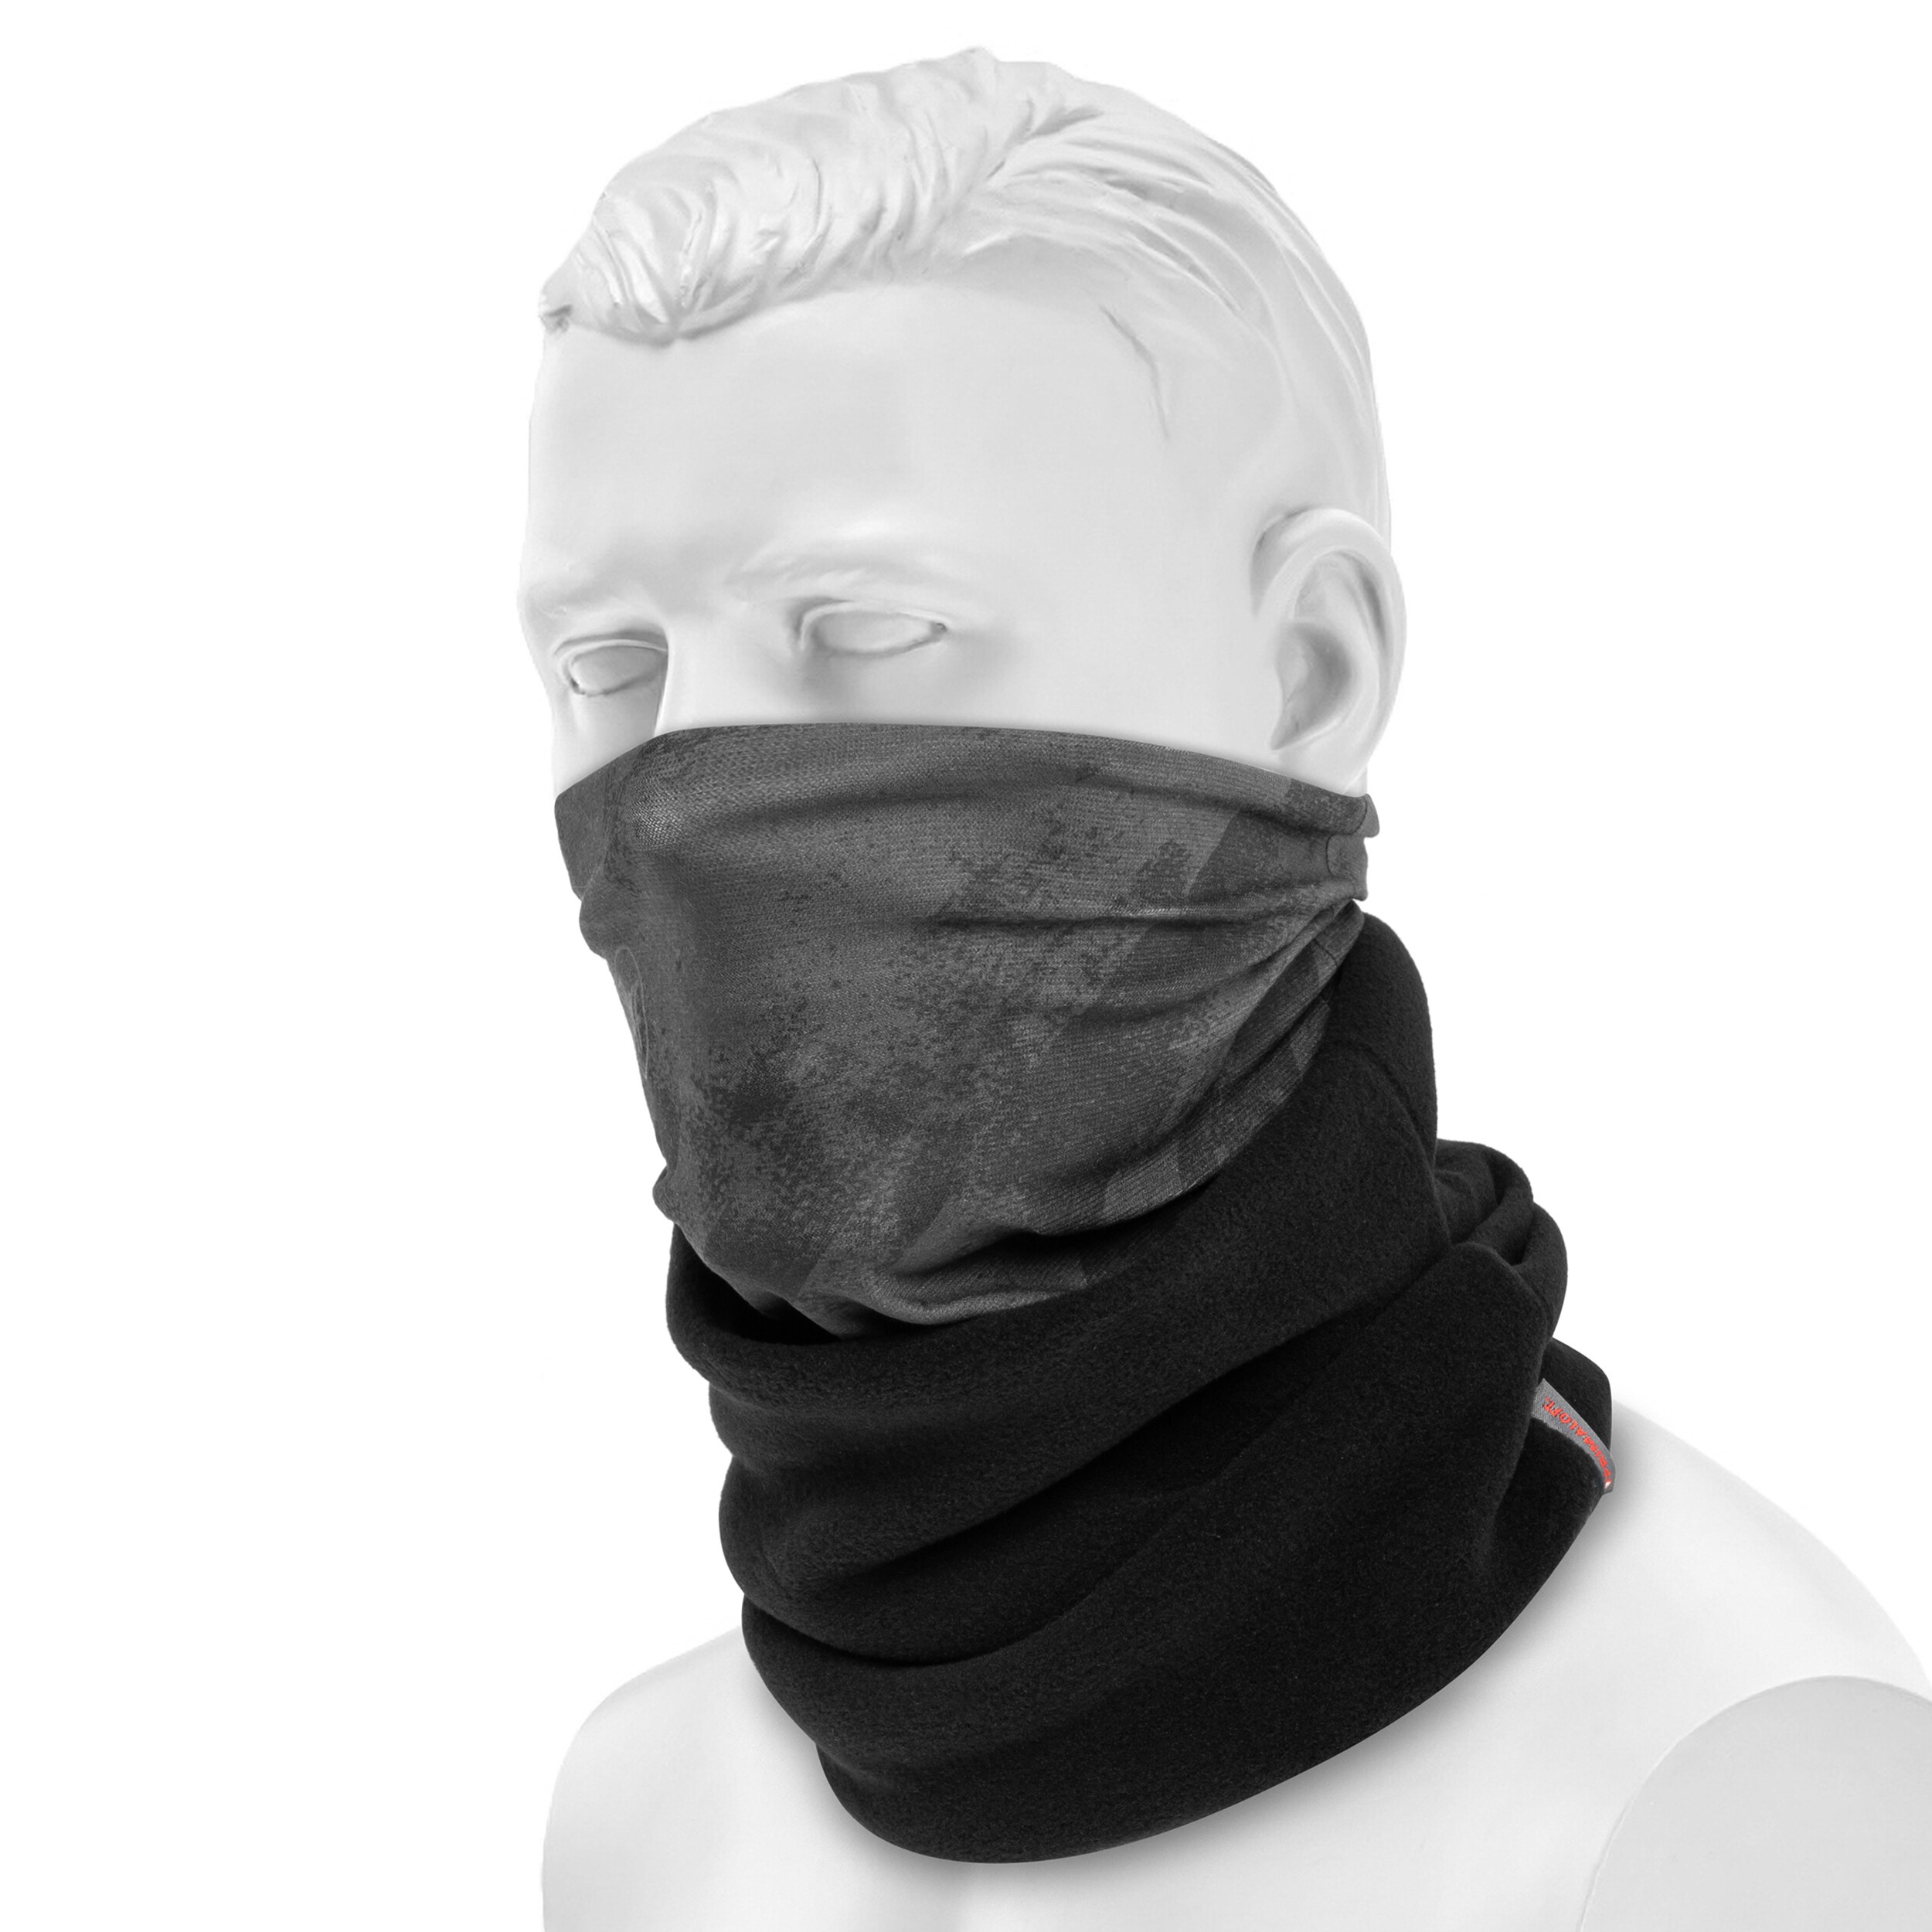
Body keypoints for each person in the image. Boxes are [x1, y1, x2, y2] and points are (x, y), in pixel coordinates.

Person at [519, 48, 1932, 1930]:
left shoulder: (1726, 1789)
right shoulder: (642, 1810)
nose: (684, 793)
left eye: (864, 626)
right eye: (606, 666)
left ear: (1308, 671)